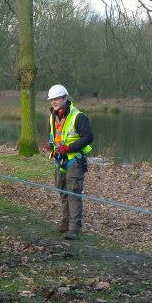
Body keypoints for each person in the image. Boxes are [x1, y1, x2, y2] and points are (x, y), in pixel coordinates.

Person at [42, 84, 94, 240]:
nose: (54, 102)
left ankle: (74, 229)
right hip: (59, 160)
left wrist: (69, 148)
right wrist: (50, 144)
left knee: (73, 194)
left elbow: (88, 137)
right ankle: (65, 223)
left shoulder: (79, 117)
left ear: (65, 98)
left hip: (74, 161)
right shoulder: (53, 116)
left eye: (57, 98)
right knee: (63, 192)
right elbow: (54, 135)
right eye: (51, 99)